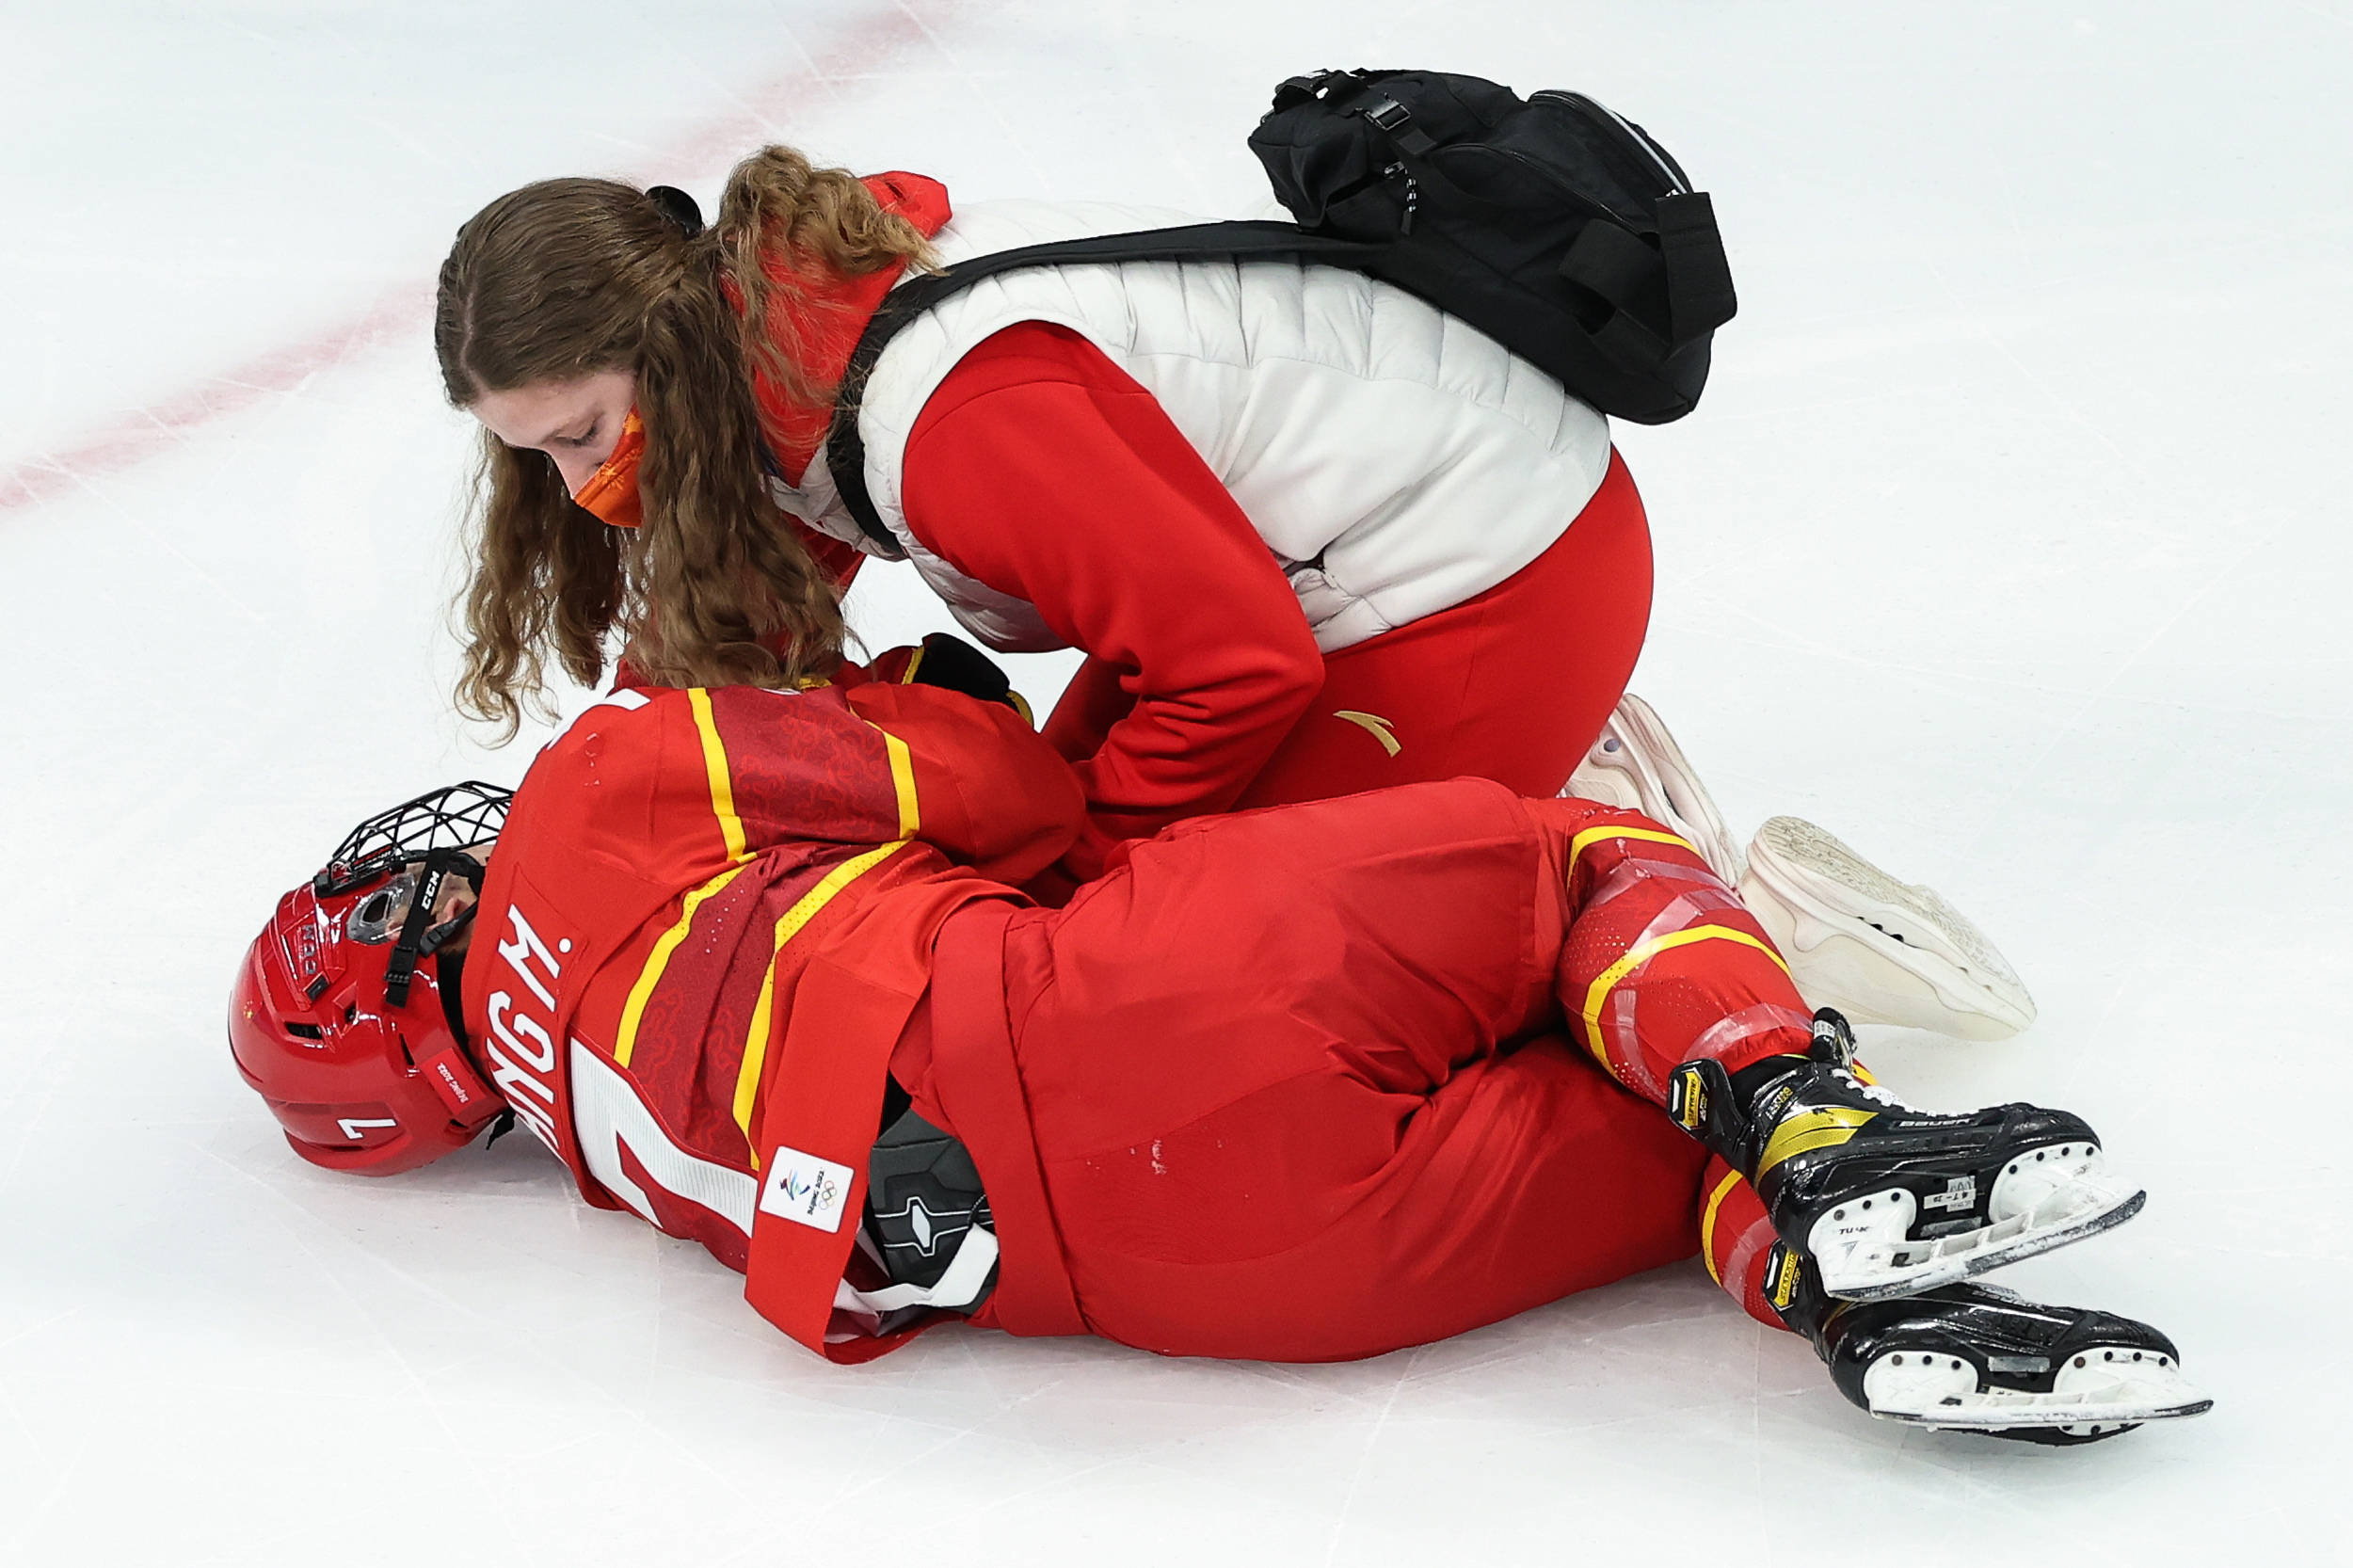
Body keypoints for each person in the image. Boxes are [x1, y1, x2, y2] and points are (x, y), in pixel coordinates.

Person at [229, 640, 2206, 1443]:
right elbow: (996, 780)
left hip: (1203, 1277)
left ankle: (1835, 1291)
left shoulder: (589, 1147)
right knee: (1582, 863)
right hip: (1087, 1012)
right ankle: (1812, 1125)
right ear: (399, 935)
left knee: (1651, 1152)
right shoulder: (586, 796)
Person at [429, 148, 2033, 1040]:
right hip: (1339, 567)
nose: (583, 488)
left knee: (1193, 962)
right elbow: (768, 615)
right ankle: (1572, 782)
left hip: (1492, 584)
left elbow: (1237, 663)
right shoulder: (781, 326)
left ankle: (1694, 895)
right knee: (1070, 853)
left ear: (673, 347)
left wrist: (1105, 867)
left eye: (584, 433)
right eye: (539, 459)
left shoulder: (953, 420)